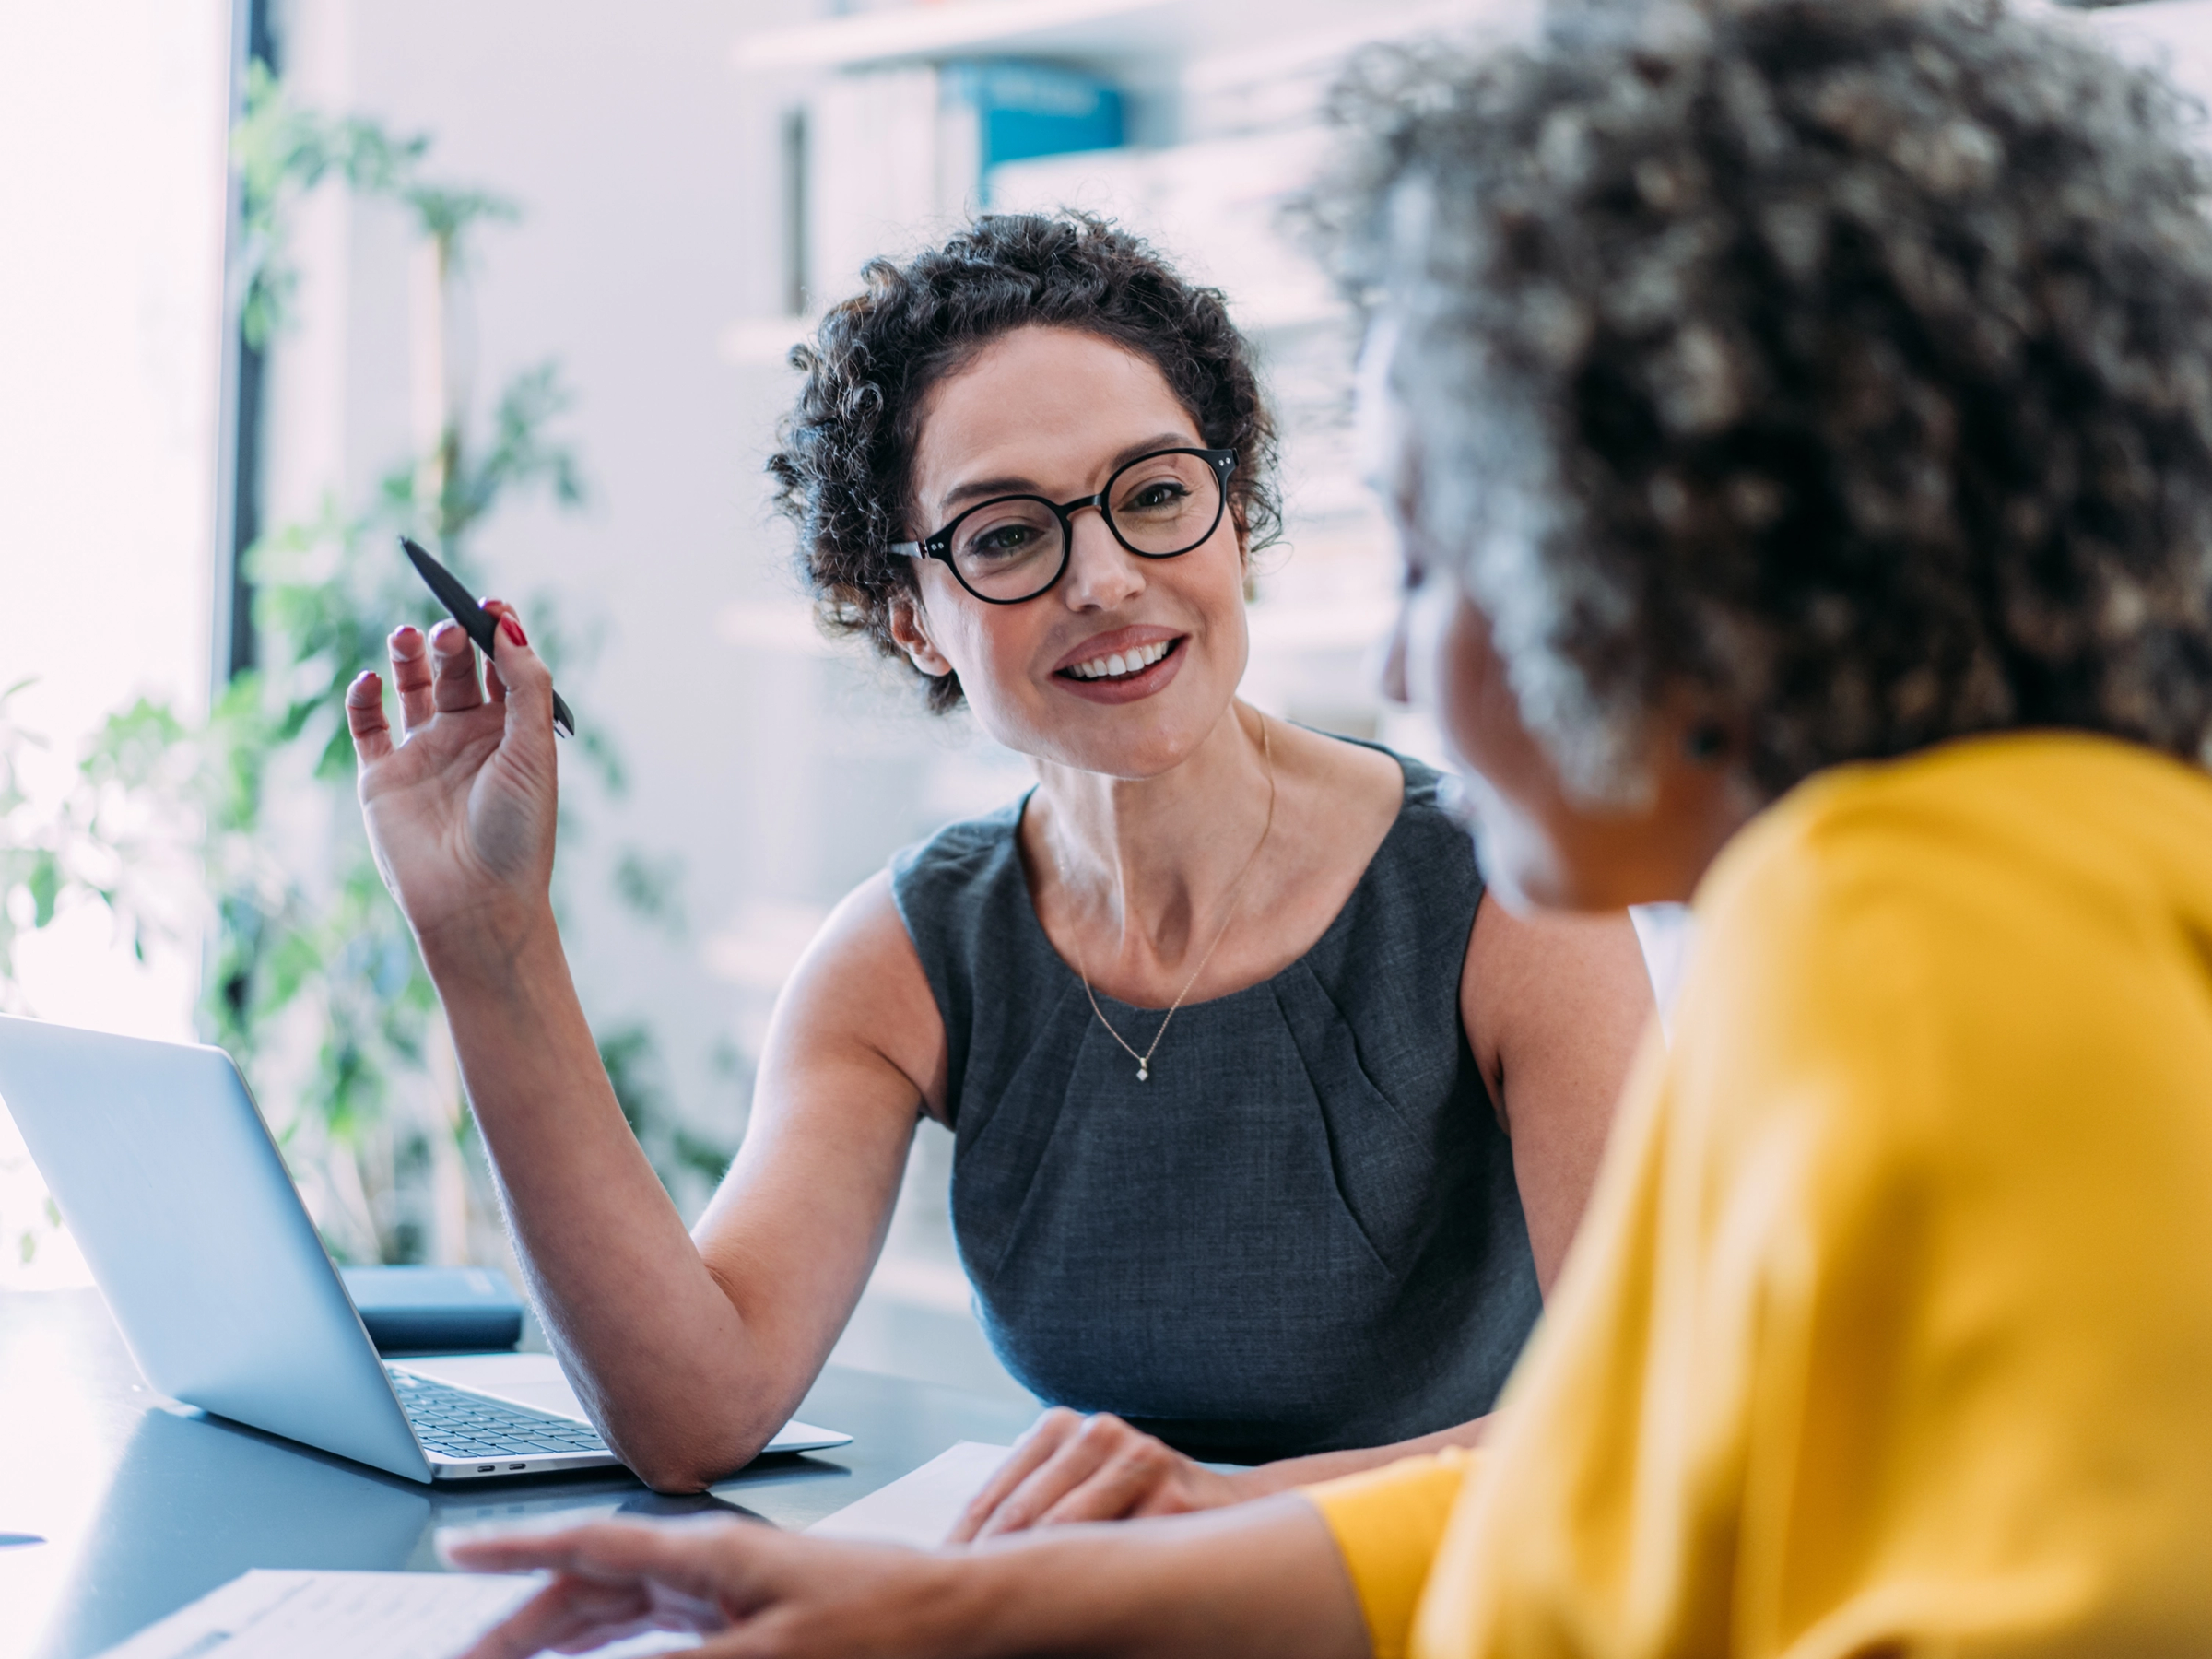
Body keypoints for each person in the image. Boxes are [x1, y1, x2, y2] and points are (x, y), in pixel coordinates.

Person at [441, 1, 2212, 1653]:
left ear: (1675, 554)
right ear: (909, 610)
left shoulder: (1910, 934)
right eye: (1010, 535)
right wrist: (976, 1613)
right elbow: (1640, 1492)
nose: (1394, 661)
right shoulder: (1946, 891)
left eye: (1436, 556)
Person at [344, 213, 1656, 1515]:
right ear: (912, 620)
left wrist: (1214, 1521)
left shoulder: (1509, 890)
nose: (1105, 579)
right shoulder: (906, 957)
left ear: (1235, 517)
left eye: (1156, 494)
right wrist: (488, 936)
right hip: (1092, 1601)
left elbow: (1655, 1415)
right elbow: (692, 1412)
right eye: (1008, 534)